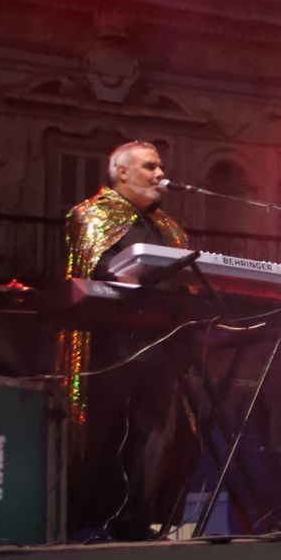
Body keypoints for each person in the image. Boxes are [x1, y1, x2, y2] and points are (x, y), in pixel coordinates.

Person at [61, 140, 192, 539]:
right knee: (107, 432)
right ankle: (91, 521)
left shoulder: (167, 225)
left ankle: (141, 519)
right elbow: (97, 271)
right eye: (150, 167)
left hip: (164, 340)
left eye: (160, 167)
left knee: (158, 433)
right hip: (113, 344)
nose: (160, 176)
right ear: (121, 172)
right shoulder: (91, 214)